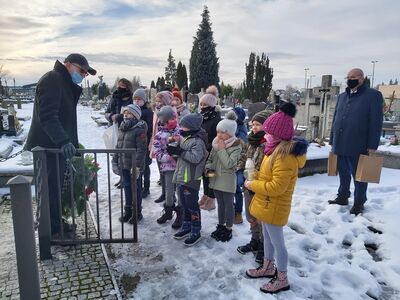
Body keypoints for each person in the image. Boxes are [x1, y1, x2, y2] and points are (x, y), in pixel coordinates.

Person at [25, 53, 96, 238]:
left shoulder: (63, 82)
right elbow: (48, 116)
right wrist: (63, 141)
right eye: (81, 71)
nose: (83, 75)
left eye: (86, 74)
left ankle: (56, 223)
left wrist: (70, 143)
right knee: (49, 190)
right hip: (48, 147)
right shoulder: (53, 79)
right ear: (68, 64)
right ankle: (52, 231)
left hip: (56, 147)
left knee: (55, 189)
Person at [244, 102, 308, 294]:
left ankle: (282, 278)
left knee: (278, 243)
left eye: (268, 132)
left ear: (278, 135)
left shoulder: (284, 156)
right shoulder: (273, 150)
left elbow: (277, 187)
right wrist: (254, 173)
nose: (265, 135)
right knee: (269, 241)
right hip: (267, 203)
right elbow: (269, 176)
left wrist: (252, 184)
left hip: (275, 204)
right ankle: (267, 267)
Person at [328, 68, 383, 215]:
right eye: (348, 77)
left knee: (359, 175)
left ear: (362, 78)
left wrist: (372, 145)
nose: (350, 79)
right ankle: (343, 196)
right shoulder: (342, 96)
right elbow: (335, 119)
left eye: (353, 77)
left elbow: (376, 122)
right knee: (343, 173)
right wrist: (332, 138)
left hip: (358, 144)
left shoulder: (373, 95)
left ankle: (359, 202)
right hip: (340, 143)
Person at [237, 110, 273, 263]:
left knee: (262, 219)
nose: (254, 127)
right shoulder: (250, 141)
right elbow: (244, 157)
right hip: (248, 185)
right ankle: (255, 240)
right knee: (251, 216)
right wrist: (239, 171)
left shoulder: (269, 145)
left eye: (258, 124)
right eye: (253, 124)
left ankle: (265, 246)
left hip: (261, 187)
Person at [169, 113, 208, 246]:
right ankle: (187, 226)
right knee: (184, 204)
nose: (181, 127)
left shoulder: (198, 141)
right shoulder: (186, 138)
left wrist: (180, 152)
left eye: (184, 126)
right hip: (182, 176)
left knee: (192, 205)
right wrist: (174, 150)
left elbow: (195, 158)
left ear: (191, 127)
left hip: (191, 178)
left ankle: (196, 229)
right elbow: (182, 156)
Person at [206, 111, 242, 242]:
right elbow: (210, 159)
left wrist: (221, 149)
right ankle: (221, 225)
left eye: (222, 132)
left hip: (227, 181)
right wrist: (208, 169)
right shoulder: (216, 144)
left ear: (230, 133)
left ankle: (228, 228)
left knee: (228, 205)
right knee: (220, 204)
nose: (219, 135)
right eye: (218, 132)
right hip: (216, 179)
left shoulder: (236, 146)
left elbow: (229, 164)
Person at [112, 104, 147, 223]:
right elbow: (118, 146)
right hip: (124, 164)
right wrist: (115, 160)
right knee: (126, 187)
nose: (126, 115)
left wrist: (136, 166)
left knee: (135, 188)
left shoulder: (139, 130)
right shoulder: (122, 127)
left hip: (134, 166)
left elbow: (142, 150)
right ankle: (128, 210)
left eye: (129, 113)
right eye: (125, 112)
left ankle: (137, 212)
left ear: (136, 116)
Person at [153, 106, 182, 227]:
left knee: (181, 191)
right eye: (165, 121)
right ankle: (168, 211)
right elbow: (157, 153)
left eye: (171, 120)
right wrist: (168, 157)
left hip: (181, 167)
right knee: (169, 191)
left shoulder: (180, 132)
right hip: (168, 167)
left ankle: (181, 214)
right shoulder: (159, 135)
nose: (168, 123)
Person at [199, 85, 222, 210]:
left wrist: (207, 147)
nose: (202, 107)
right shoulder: (202, 118)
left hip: (213, 154)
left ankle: (212, 199)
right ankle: (206, 195)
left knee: (211, 177)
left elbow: (217, 138)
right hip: (203, 153)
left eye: (205, 104)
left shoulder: (216, 120)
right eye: (201, 104)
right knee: (205, 176)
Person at [150, 91, 174, 203]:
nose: (158, 103)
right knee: (161, 171)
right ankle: (164, 193)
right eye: (157, 100)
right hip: (158, 143)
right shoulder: (156, 111)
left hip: (167, 145)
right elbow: (154, 129)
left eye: (160, 101)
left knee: (168, 172)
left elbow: (174, 128)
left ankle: (170, 194)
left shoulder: (170, 111)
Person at [132, 88, 153, 198]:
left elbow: (149, 127)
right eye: (135, 99)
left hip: (145, 142)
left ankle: (146, 187)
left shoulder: (147, 112)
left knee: (145, 166)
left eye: (139, 99)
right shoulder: (131, 111)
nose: (137, 101)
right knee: (137, 165)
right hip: (134, 143)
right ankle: (138, 186)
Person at [231, 107, 248, 224]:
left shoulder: (241, 129)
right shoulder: (228, 127)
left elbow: (241, 144)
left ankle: (238, 213)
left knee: (237, 189)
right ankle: (231, 209)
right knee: (229, 189)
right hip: (228, 163)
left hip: (238, 164)